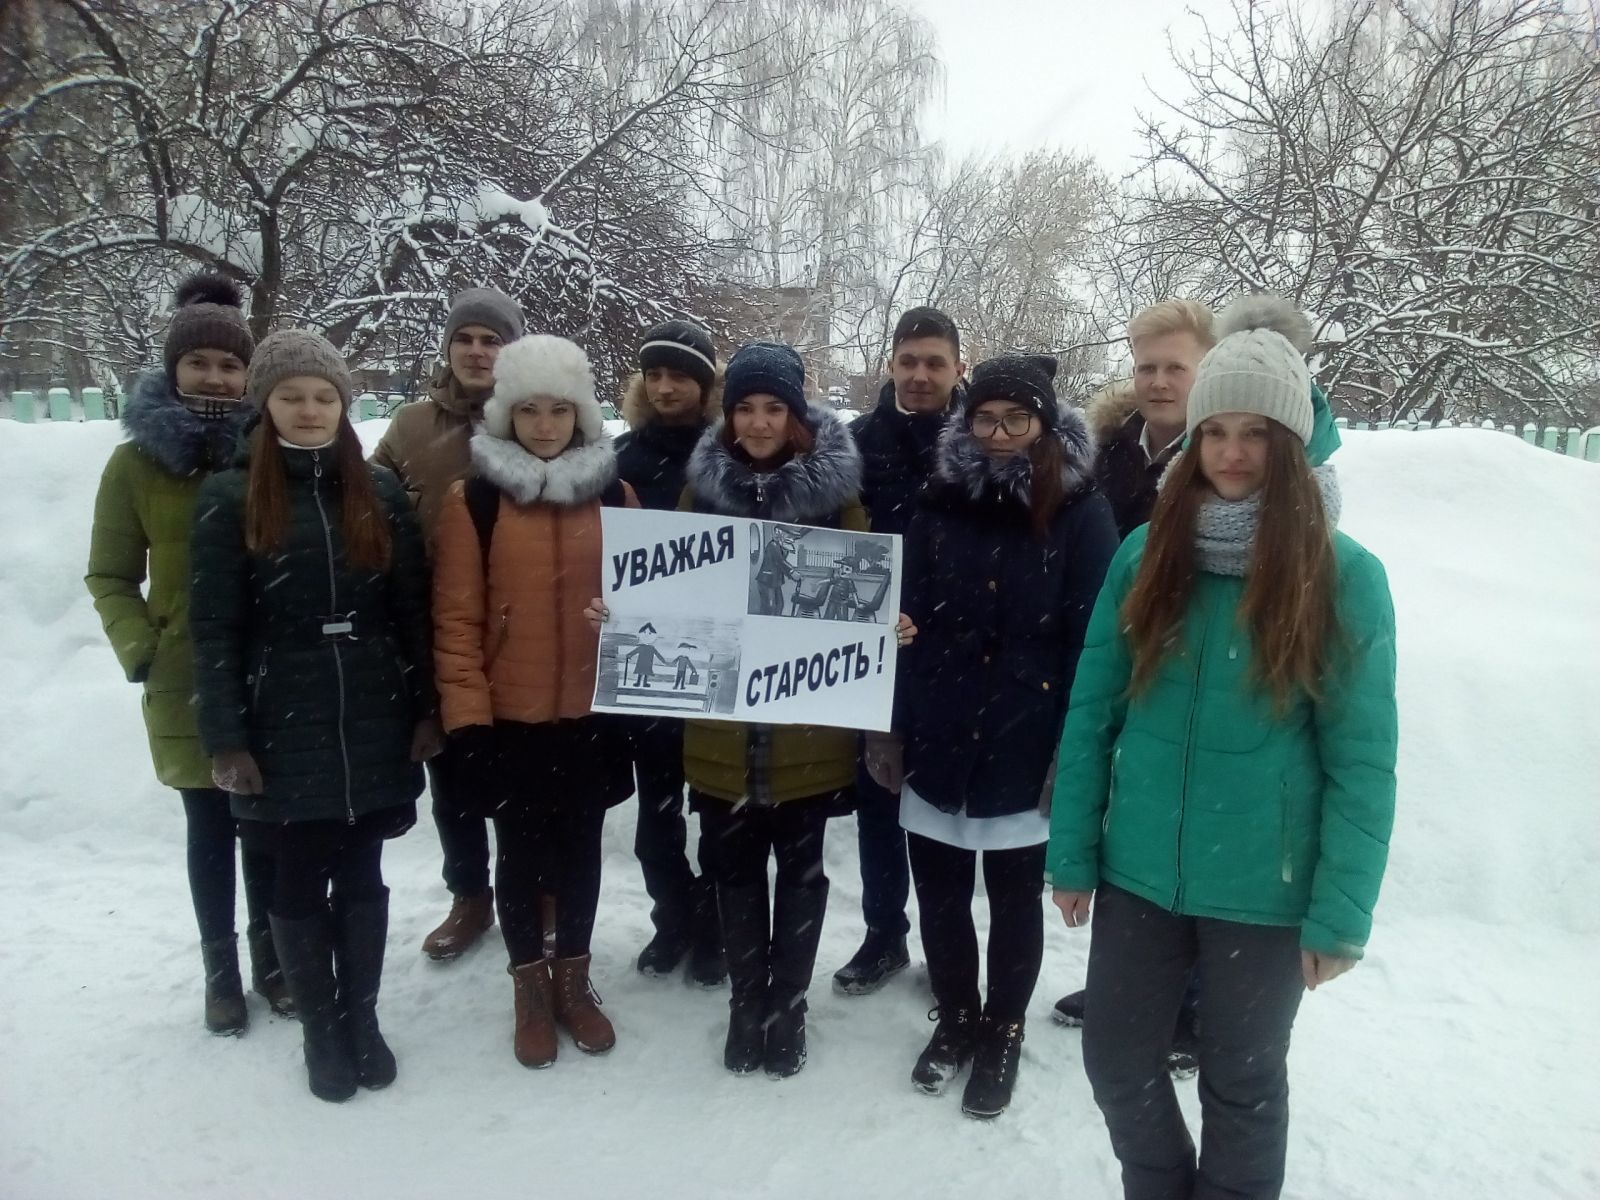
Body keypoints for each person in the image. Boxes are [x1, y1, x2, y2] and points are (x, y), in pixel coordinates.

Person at [1048, 294, 1398, 1199]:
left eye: (1255, 434)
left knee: (1241, 1085)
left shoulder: (1344, 576)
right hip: (1139, 874)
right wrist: (1073, 850)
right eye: (1214, 433)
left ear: (1291, 445)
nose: (1232, 453)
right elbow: (1093, 713)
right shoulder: (1145, 555)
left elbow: (1362, 761)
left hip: (1263, 891)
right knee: (1116, 1063)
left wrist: (1341, 913)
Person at [190, 331, 440, 1103]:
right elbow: (215, 628)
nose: (308, 410)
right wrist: (227, 738)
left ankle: (362, 1017)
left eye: (324, 396)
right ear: (265, 404)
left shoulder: (378, 492)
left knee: (362, 870)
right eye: (292, 396)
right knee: (297, 872)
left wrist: (426, 707)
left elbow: (412, 612)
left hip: (370, 705)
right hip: (282, 713)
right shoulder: (231, 497)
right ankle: (321, 1028)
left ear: (343, 404)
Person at [869, 353, 1118, 1119]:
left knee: (1013, 900)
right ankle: (956, 1016)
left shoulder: (1080, 510)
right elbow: (901, 619)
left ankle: (1003, 1029)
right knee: (940, 893)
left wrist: (1072, 752)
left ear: (1044, 423)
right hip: (938, 727)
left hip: (1026, 735)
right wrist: (891, 728)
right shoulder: (938, 501)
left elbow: (1093, 643)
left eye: (1017, 418)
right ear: (966, 421)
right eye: (985, 418)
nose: (1000, 433)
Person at [661, 341, 904, 1078]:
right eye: (745, 408)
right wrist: (622, 614)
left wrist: (887, 622)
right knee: (732, 870)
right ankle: (748, 1003)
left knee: (801, 873)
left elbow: (861, 592)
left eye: (774, 408)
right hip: (720, 737)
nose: (759, 422)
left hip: (808, 736)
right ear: (728, 415)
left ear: (797, 415)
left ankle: (788, 1005)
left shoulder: (835, 500)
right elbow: (666, 594)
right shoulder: (701, 496)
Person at [86, 274, 286, 1036]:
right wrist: (144, 647)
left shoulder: (269, 452)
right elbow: (109, 574)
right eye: (199, 362)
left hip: (267, 671)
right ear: (173, 367)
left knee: (264, 825)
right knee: (209, 827)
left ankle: (272, 958)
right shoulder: (136, 466)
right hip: (183, 678)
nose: (215, 377)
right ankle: (221, 973)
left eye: (230, 365)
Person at [433, 334, 638, 1069]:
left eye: (559, 409)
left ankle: (573, 982)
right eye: (528, 410)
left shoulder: (616, 497)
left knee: (581, 854)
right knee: (518, 856)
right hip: (510, 720)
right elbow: (456, 622)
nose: (545, 425)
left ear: (581, 415)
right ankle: (528, 989)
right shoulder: (476, 500)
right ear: (505, 415)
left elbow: (645, 607)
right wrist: (470, 726)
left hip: (589, 715)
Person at [1054, 299, 1216, 1070]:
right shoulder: (1107, 451)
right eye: (1146, 366)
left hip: (1182, 671)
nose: (1157, 381)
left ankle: (1191, 1008)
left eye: (1175, 367)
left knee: (1180, 839)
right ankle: (1125, 987)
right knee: (1122, 837)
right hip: (1104, 661)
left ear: (1206, 370)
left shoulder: (1221, 456)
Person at [372, 287, 525, 963]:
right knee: (453, 775)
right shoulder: (411, 426)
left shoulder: (533, 416)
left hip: (523, 625)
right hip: (439, 624)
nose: (477, 351)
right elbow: (361, 500)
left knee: (527, 770)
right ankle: (469, 894)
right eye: (465, 338)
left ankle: (535, 888)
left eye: (492, 340)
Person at [835, 306, 966, 996]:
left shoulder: (983, 439)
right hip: (875, 652)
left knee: (944, 809)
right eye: (908, 361)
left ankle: (949, 946)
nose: (920, 375)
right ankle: (884, 933)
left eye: (934, 362)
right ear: (890, 364)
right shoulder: (857, 442)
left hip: (958, 654)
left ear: (958, 368)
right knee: (879, 801)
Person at [613, 320, 726, 984]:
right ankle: (673, 918)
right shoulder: (619, 459)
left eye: (680, 375)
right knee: (656, 818)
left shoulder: (729, 458)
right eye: (653, 374)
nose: (664, 387)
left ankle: (714, 926)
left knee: (718, 813)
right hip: (645, 664)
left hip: (720, 662)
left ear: (706, 385)